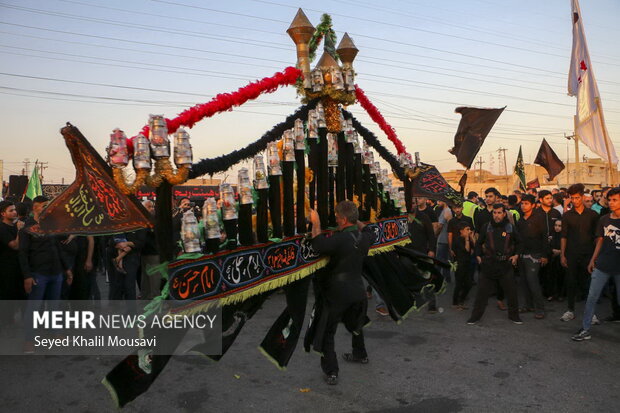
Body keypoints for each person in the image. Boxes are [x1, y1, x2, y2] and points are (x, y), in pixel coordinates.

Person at [308, 201, 374, 385]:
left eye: (337, 217)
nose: (336, 219)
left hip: (337, 294)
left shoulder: (339, 240)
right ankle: (360, 354)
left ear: (343, 219)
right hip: (358, 292)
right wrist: (356, 221)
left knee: (327, 333)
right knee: (356, 325)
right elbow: (371, 230)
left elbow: (317, 245)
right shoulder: (364, 238)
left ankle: (332, 371)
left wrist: (316, 223)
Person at [19, 196, 73, 353]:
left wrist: (67, 269)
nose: (48, 209)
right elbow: (22, 254)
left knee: (54, 306)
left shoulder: (52, 226)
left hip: (56, 273)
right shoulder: (26, 229)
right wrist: (27, 276)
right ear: (35, 208)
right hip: (38, 274)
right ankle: (29, 340)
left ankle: (55, 332)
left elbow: (58, 248)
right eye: (44, 206)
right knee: (33, 309)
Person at [572, 187, 620, 341]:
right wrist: (593, 260)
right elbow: (599, 241)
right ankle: (585, 329)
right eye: (610, 200)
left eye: (615, 200)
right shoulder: (604, 219)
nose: (611, 203)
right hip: (602, 265)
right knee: (591, 297)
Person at [467, 203, 522, 325]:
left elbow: (519, 243)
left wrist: (516, 255)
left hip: (505, 265)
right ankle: (475, 317)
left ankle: (514, 316)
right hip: (489, 264)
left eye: (499, 213)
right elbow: (478, 243)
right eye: (494, 213)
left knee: (511, 293)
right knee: (481, 293)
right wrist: (478, 256)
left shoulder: (510, 227)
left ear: (504, 214)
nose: (496, 215)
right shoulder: (486, 226)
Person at [560, 183, 600, 322]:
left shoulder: (593, 215)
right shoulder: (567, 216)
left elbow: (597, 238)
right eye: (572, 198)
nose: (575, 200)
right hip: (571, 254)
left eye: (577, 197)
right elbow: (563, 236)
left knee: (589, 284)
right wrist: (562, 255)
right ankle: (570, 310)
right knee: (571, 283)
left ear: (582, 197)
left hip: (588, 255)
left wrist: (595, 257)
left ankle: (591, 313)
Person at [516, 194, 549, 319]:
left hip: (535, 255)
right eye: (522, 203)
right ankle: (528, 305)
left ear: (533, 205)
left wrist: (545, 255)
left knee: (533, 281)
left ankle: (540, 308)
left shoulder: (539, 218)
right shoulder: (520, 220)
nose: (523, 206)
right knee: (524, 282)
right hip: (522, 254)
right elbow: (518, 239)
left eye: (526, 204)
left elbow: (545, 238)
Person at [474, 188, 507, 311]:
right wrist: (479, 247)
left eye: (490, 196)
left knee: (500, 277)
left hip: (499, 251)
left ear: (496, 197)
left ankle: (500, 300)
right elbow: (476, 233)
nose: (488, 198)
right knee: (484, 276)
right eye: (486, 196)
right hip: (485, 251)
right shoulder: (480, 213)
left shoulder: (502, 212)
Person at [0, 201, 26, 329]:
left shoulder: (16, 226)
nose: (15, 212)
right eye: (11, 210)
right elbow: (15, 246)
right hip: (6, 269)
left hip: (19, 267)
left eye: (15, 209)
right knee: (7, 297)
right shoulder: (2, 228)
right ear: (3, 214)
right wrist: (20, 231)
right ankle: (7, 324)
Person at [139, 200, 161, 300]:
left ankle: (155, 298)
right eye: (149, 207)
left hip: (154, 253)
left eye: (152, 206)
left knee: (155, 278)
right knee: (145, 278)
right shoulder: (140, 220)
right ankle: (145, 296)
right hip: (144, 253)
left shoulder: (155, 220)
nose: (151, 209)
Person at [452, 222, 473, 310]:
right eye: (467, 230)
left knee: (469, 284)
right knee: (459, 284)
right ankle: (455, 303)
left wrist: (471, 237)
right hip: (460, 264)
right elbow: (467, 250)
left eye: (470, 229)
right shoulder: (458, 240)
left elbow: (473, 249)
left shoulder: (468, 239)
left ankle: (461, 300)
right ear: (461, 231)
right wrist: (467, 239)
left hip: (467, 264)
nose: (469, 231)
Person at [435, 200, 452, 283]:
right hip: (446, 239)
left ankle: (436, 279)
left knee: (439, 260)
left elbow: (440, 226)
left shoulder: (445, 211)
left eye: (439, 201)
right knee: (445, 260)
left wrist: (435, 235)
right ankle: (447, 278)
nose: (437, 203)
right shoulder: (447, 211)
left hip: (442, 239)